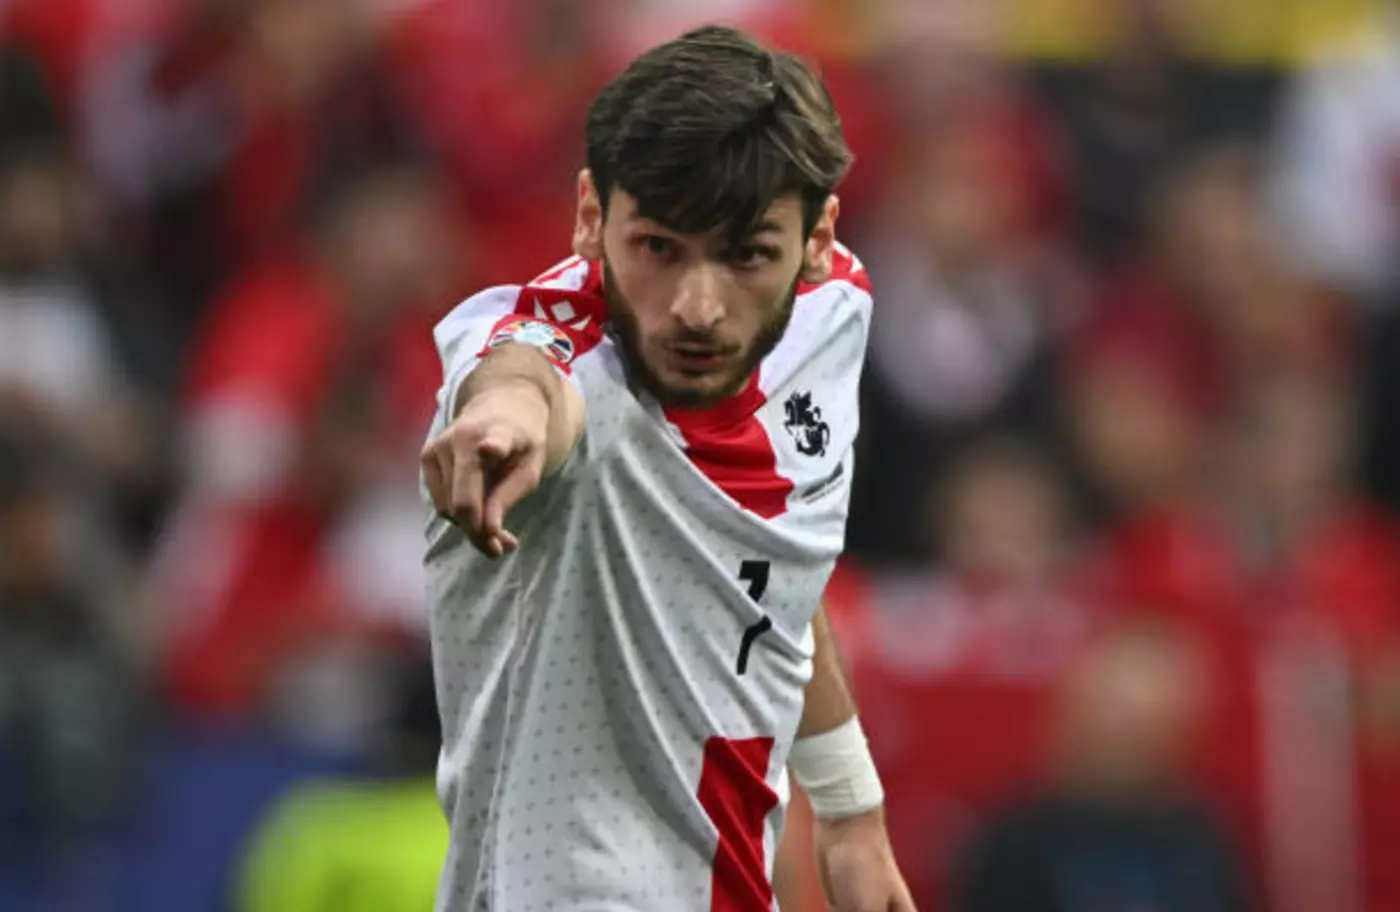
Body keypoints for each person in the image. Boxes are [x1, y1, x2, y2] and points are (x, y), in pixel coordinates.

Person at [419, 24, 915, 912]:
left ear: (817, 240)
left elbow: (766, 574)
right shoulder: (570, 364)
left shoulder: (830, 314)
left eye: (745, 255)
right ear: (590, 214)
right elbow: (523, 376)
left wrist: (848, 811)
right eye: (658, 246)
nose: (697, 308)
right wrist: (504, 419)